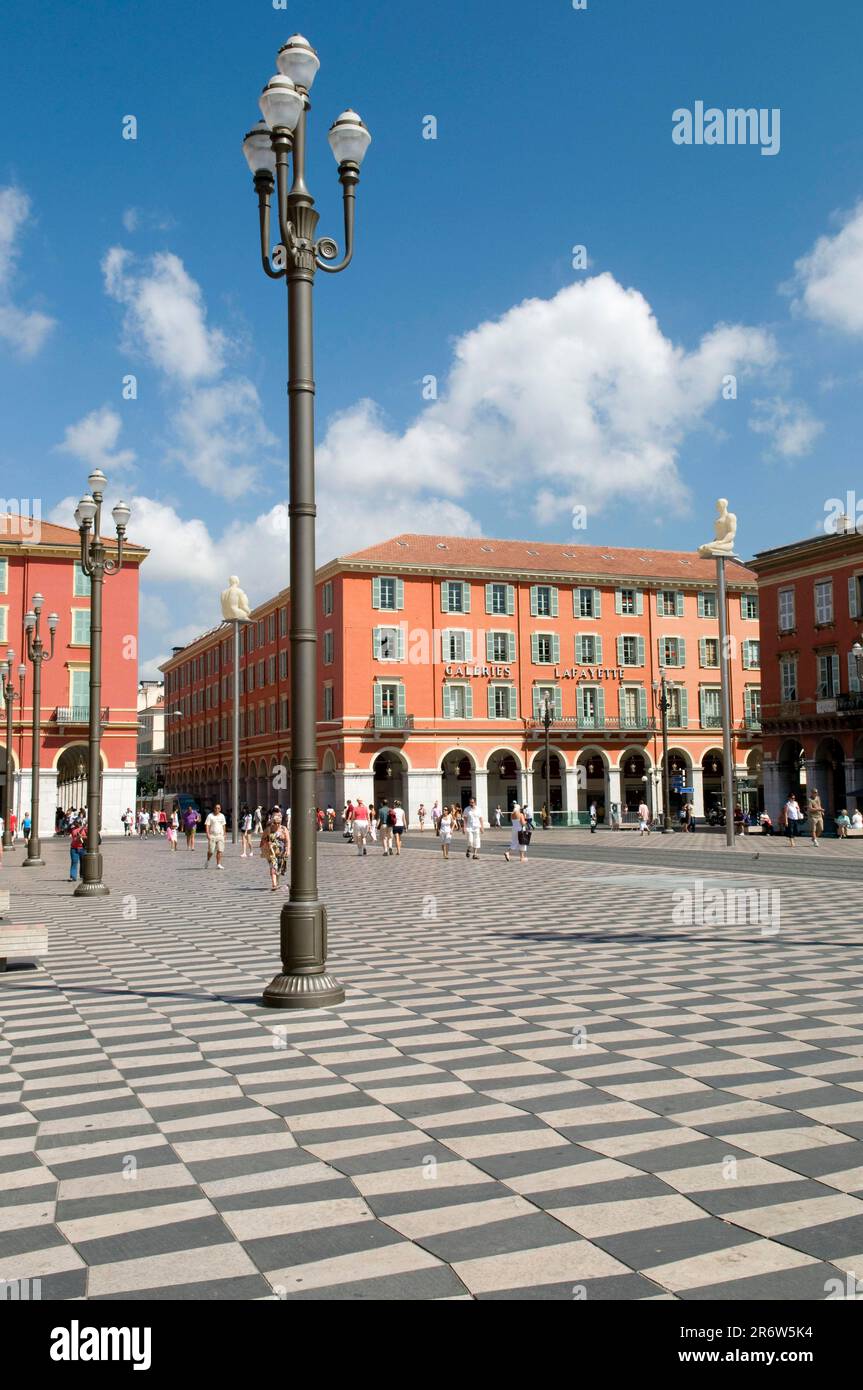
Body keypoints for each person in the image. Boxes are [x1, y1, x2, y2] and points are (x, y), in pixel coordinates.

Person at [261, 810, 289, 889]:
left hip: (281, 851)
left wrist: (288, 850)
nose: (277, 824)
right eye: (275, 822)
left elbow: (288, 841)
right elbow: (262, 839)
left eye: (278, 823)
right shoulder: (268, 829)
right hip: (271, 852)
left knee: (279, 868)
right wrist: (267, 843)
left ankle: (276, 882)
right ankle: (274, 884)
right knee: (273, 866)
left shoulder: (284, 829)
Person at [205, 803, 227, 869]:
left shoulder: (222, 816)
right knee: (211, 851)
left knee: (220, 850)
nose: (217, 809)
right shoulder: (210, 816)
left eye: (218, 808)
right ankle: (208, 860)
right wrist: (207, 833)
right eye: (216, 808)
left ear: (220, 809)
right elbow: (207, 825)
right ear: (214, 808)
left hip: (220, 835)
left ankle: (218, 864)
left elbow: (224, 825)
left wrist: (224, 833)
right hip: (212, 835)